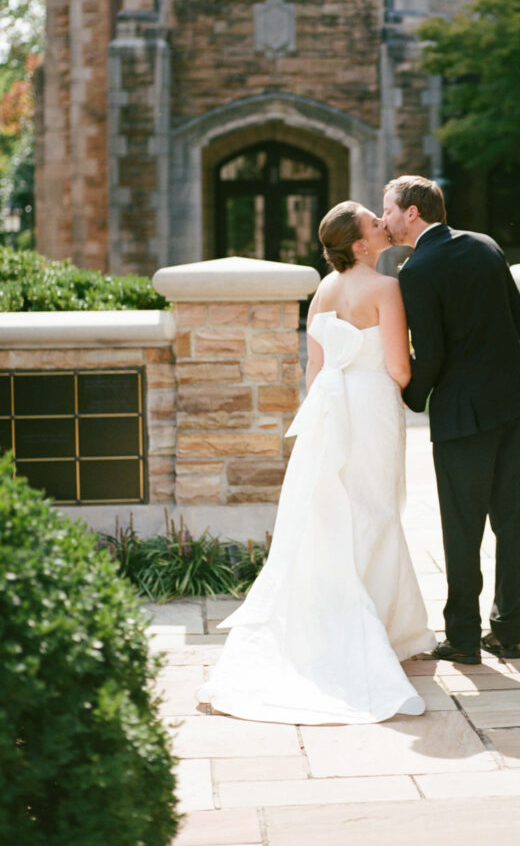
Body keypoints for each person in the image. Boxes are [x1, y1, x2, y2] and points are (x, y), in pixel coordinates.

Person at [197, 201, 435, 724]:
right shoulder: (386, 288)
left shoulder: (324, 291)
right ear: (361, 244)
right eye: (374, 222)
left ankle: (352, 617)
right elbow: (399, 370)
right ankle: (375, 628)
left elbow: (315, 370)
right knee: (377, 510)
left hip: (329, 409)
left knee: (331, 514)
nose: (383, 223)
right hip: (371, 406)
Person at [382, 176, 520, 665]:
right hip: (513, 400)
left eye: (388, 210)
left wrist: (410, 398)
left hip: (462, 413)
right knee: (511, 519)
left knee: (462, 527)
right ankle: (509, 633)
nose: (384, 219)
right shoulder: (486, 245)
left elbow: (429, 354)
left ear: (412, 212)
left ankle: (464, 638)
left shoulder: (416, 270)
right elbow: (518, 318)